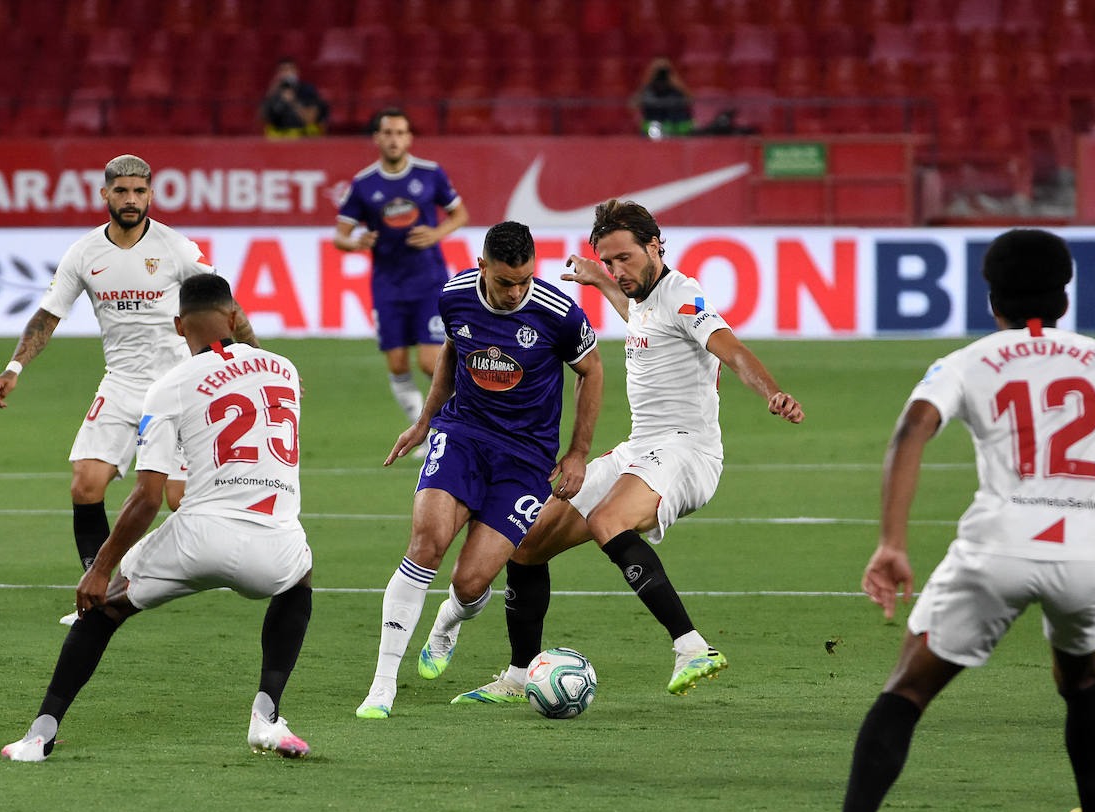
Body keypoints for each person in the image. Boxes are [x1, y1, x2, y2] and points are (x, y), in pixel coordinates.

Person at [797, 229, 1095, 812]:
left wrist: (892, 542)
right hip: (1085, 551)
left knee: (907, 691)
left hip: (996, 546)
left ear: (991, 299)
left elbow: (913, 428)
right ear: (1067, 295)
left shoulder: (970, 362)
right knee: (1083, 681)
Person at [430, 199, 804, 704]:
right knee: (527, 540)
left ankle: (692, 647)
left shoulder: (684, 294)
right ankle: (520, 675)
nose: (617, 270)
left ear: (656, 245)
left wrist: (771, 392)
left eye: (625, 258)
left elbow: (728, 346)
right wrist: (600, 282)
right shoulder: (646, 300)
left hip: (686, 452)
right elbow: (641, 318)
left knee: (608, 521)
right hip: (640, 448)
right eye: (609, 261)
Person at [1, 274, 315, 762]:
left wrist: (100, 566)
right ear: (235, 316)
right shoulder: (286, 370)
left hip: (198, 539)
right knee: (299, 582)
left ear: (177, 327)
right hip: (275, 546)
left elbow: (148, 497)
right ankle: (267, 716)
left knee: (102, 611)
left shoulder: (170, 385)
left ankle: (38, 735)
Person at [0, 154, 259, 627]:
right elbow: (48, 316)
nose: (130, 200)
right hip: (121, 384)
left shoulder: (176, 248)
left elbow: (225, 308)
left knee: (180, 498)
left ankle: (232, 562)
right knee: (85, 483)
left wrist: (255, 362)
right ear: (104, 195)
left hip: (177, 388)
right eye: (121, 192)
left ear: (151, 195)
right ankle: (99, 587)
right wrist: (14, 367)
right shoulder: (85, 253)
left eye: (139, 192)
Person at [355, 221, 602, 719]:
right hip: (463, 436)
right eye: (506, 282)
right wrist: (425, 421)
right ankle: (382, 686)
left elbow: (591, 370)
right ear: (482, 266)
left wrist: (577, 452)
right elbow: (451, 348)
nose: (516, 292)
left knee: (470, 585)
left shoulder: (558, 313)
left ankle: (447, 621)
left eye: (525, 280)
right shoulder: (454, 296)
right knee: (426, 544)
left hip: (527, 458)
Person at [334, 108, 469, 438]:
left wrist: (437, 234)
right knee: (397, 364)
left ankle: (456, 426)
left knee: (429, 361)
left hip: (429, 280)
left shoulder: (430, 174)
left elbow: (460, 213)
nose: (394, 140)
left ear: (409, 138)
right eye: (388, 133)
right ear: (377, 138)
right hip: (388, 285)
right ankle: (422, 430)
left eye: (400, 133)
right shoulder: (364, 184)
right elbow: (340, 234)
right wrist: (355, 243)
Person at [259, 56, 328, 138]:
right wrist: (271, 93)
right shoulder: (274, 91)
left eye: (290, 69)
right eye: (283, 70)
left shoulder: (307, 90)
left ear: (297, 72)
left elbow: (310, 119)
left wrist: (293, 101)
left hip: (303, 138)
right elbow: (262, 119)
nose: (287, 73)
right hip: (279, 140)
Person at [633, 57, 694, 138]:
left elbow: (692, 101)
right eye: (657, 70)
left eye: (664, 70)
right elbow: (632, 105)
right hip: (653, 129)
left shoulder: (676, 87)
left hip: (677, 128)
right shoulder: (648, 88)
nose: (661, 73)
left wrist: (677, 83)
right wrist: (647, 81)